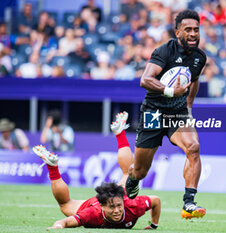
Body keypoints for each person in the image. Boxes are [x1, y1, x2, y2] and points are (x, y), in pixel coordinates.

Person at [125, 10, 207, 220]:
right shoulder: (164, 52)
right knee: (140, 170)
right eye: (188, 29)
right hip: (153, 113)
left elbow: (194, 80)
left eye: (196, 30)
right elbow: (145, 80)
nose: (193, 34)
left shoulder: (199, 57)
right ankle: (132, 181)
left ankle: (189, 203)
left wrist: (188, 107)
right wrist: (171, 91)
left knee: (193, 147)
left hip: (178, 112)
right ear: (177, 31)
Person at [33, 112, 161, 229]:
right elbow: (64, 222)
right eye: (112, 207)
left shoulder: (132, 205)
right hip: (90, 205)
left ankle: (120, 132)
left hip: (117, 196)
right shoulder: (91, 214)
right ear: (102, 207)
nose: (117, 210)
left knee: (128, 173)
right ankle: (52, 166)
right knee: (65, 204)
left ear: (123, 201)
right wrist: (57, 227)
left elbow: (156, 201)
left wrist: (153, 225)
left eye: (118, 205)